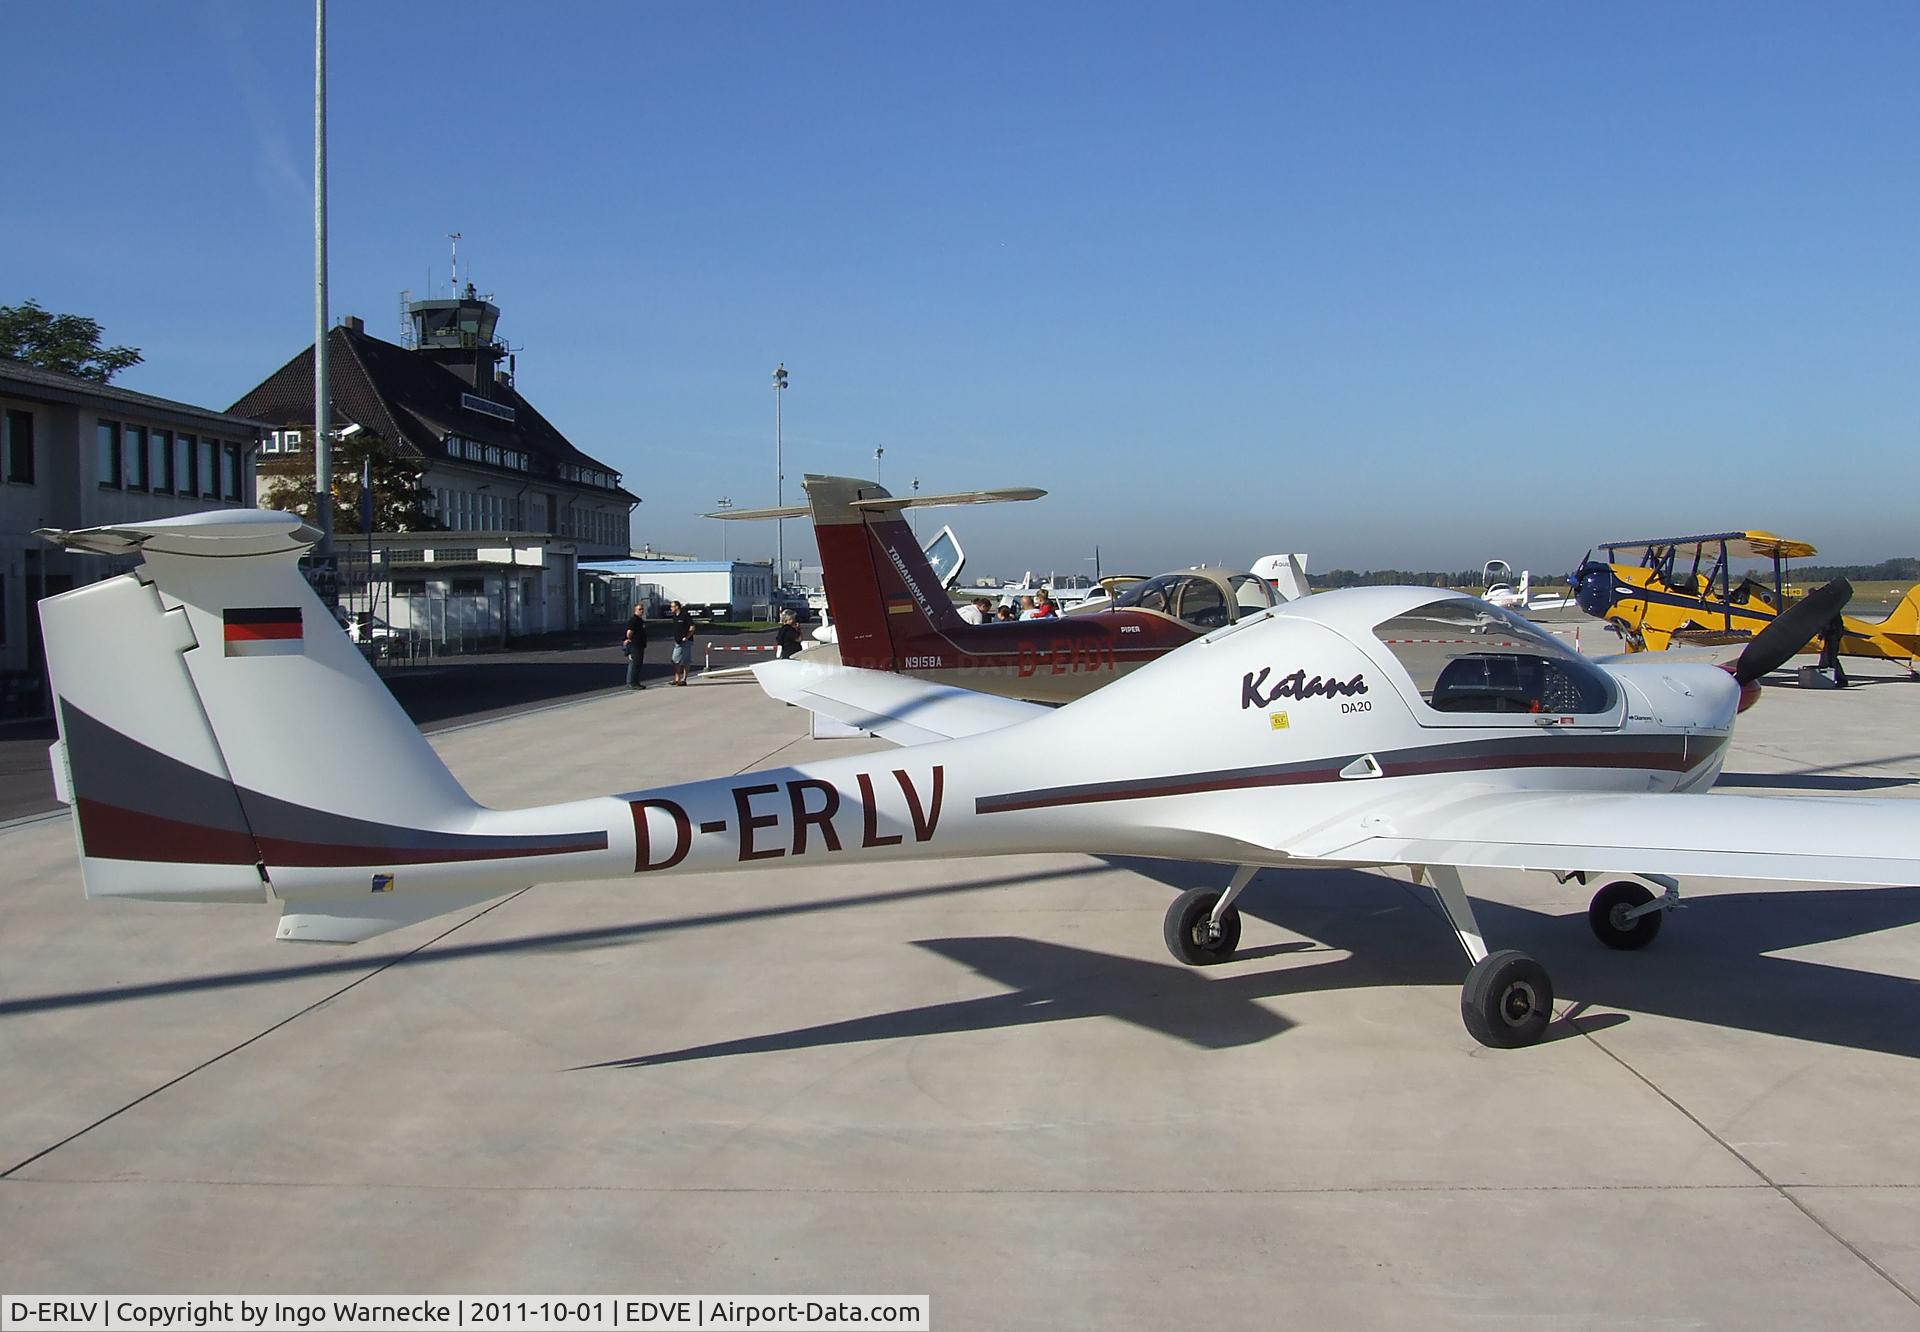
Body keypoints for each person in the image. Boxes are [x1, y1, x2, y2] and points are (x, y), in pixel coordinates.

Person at [669, 600, 696, 685]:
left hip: (686, 642)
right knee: (674, 660)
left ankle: (684, 679)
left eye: (672, 607)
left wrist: (687, 637)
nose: (671, 608)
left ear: (677, 607)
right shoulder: (674, 616)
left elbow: (692, 627)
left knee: (686, 661)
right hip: (678, 642)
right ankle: (677, 678)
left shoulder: (685, 615)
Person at [622, 602, 648, 689]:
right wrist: (629, 639)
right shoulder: (634, 620)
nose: (641, 611)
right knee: (634, 664)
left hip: (640, 645)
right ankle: (631, 682)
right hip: (634, 646)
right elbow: (629, 632)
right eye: (639, 609)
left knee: (638, 664)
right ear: (635, 610)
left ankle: (636, 682)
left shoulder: (640, 621)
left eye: (642, 609)